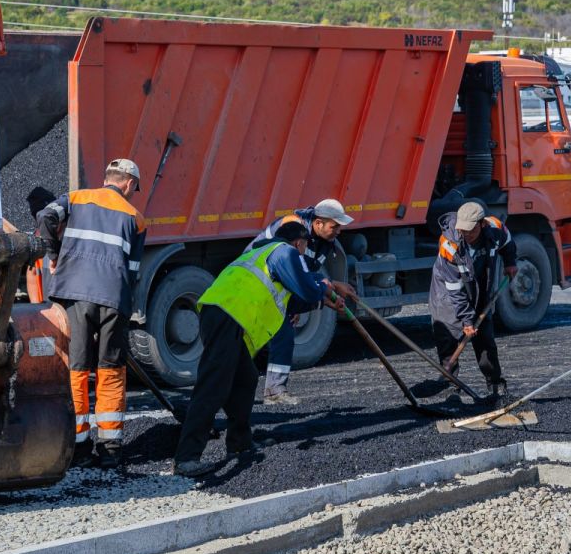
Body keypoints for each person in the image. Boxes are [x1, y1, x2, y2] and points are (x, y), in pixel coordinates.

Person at [173, 222, 341, 478]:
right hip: (226, 314)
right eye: (305, 246)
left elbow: (296, 298)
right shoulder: (284, 252)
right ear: (299, 243)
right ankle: (186, 458)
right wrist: (324, 288)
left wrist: (323, 300)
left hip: (224, 315)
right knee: (213, 385)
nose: (304, 253)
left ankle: (239, 444)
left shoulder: (263, 255)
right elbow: (306, 289)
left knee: (246, 379)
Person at [37, 159, 146, 469]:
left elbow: (45, 217)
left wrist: (53, 255)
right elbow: (133, 271)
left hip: (73, 293)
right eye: (134, 188)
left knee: (78, 367)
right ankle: (110, 448)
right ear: (128, 184)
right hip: (114, 297)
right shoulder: (136, 219)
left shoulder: (75, 198)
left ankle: (79, 445)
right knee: (111, 368)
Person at [246, 198, 356, 405]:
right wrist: (324, 292)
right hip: (262, 279)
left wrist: (300, 301)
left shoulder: (324, 241)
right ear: (318, 223)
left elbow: (308, 273)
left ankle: (275, 391)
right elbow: (290, 268)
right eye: (335, 226)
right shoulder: (293, 227)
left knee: (285, 331)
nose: (339, 231)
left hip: (281, 282)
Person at [428, 201, 517, 397]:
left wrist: (510, 262)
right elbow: (454, 289)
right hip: (447, 294)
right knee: (448, 339)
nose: (465, 234)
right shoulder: (449, 244)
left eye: (470, 230)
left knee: (485, 338)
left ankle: (495, 385)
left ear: (482, 224)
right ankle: (451, 389)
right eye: (462, 230)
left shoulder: (495, 228)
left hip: (479, 289)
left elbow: (508, 241)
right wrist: (467, 320)